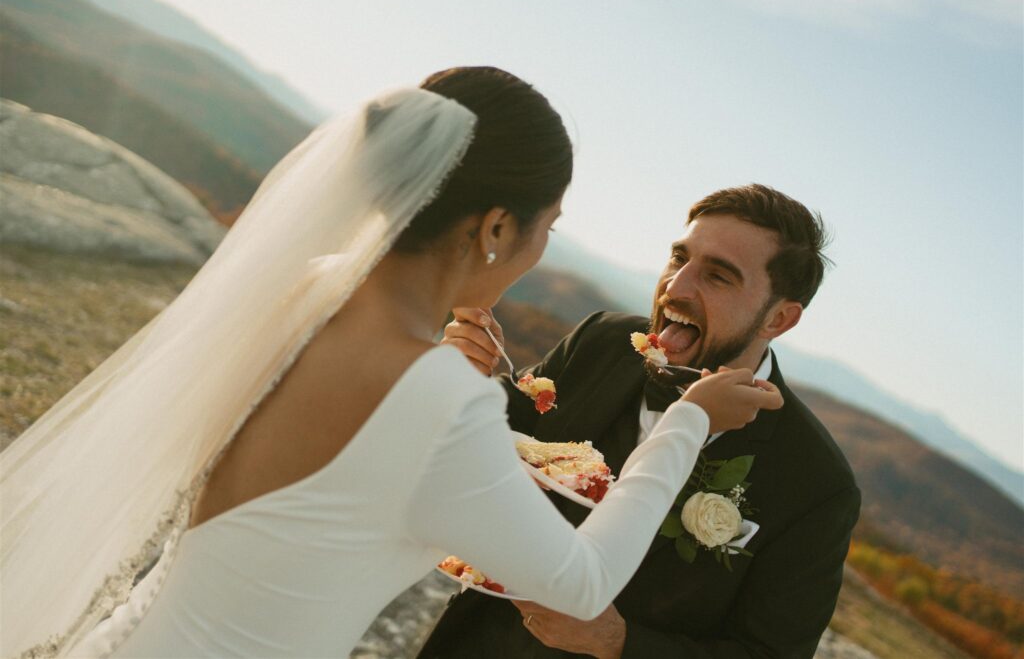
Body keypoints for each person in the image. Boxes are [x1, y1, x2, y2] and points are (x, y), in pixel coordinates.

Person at [0, 68, 783, 658]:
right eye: (548, 225)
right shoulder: (437, 391)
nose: (542, 249)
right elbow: (580, 582)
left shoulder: (307, 290)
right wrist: (688, 422)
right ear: (496, 226)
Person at [420, 184, 861, 659]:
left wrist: (617, 643)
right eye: (679, 258)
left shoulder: (817, 484)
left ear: (778, 319)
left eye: (717, 276)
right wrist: (463, 381)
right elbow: (490, 439)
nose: (675, 286)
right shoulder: (602, 340)